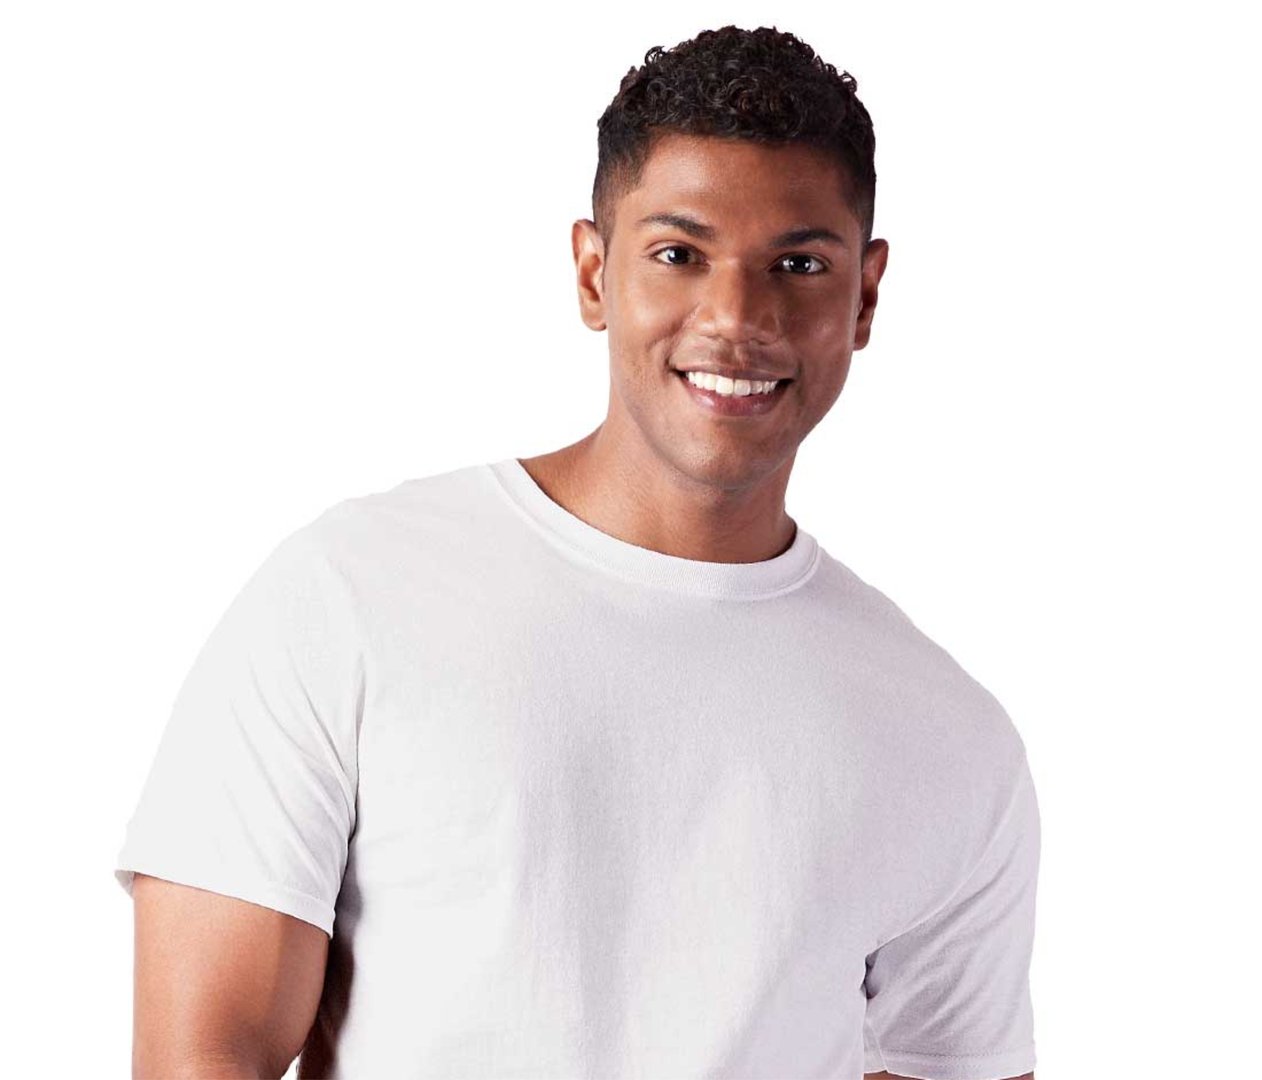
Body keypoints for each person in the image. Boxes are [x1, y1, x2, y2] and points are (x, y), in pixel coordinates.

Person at [115, 24, 1039, 1080]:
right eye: (677, 254)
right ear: (593, 273)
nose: (736, 317)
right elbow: (203, 1056)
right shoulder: (351, 598)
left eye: (796, 263)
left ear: (863, 295)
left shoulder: (946, 736)